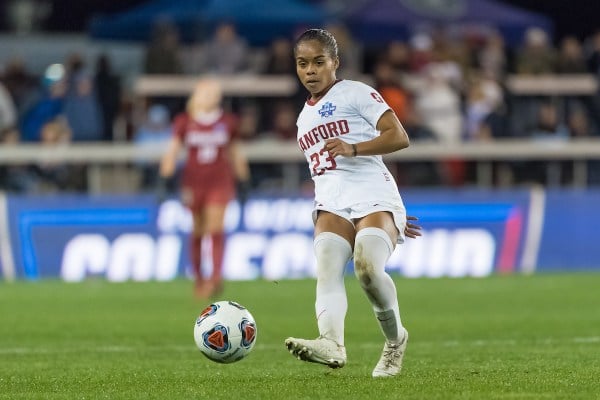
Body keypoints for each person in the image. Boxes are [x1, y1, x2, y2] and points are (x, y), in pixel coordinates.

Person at [284, 29, 421, 378]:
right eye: (302, 64)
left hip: (373, 195)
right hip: (331, 202)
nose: (310, 71)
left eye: (318, 62)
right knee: (327, 267)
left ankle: (395, 341)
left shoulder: (357, 93)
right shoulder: (303, 120)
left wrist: (353, 148)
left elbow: (399, 136)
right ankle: (331, 342)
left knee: (367, 270)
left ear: (335, 63)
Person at [159, 78, 251, 299]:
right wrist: (164, 178)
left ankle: (215, 278)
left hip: (219, 181)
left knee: (215, 226)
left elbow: (235, 152)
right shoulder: (184, 122)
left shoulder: (228, 122)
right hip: (193, 182)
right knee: (198, 229)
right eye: (206, 92)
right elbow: (172, 151)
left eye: (214, 92)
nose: (211, 96)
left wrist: (243, 180)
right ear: (197, 96)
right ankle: (200, 279)